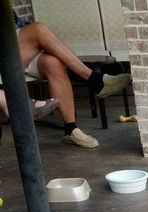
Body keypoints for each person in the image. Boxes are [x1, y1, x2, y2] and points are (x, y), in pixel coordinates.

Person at [6, 11, 132, 148]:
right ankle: (94, 80)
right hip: (6, 53)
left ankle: (71, 130)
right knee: (38, 29)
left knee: (53, 63)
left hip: (15, 46)